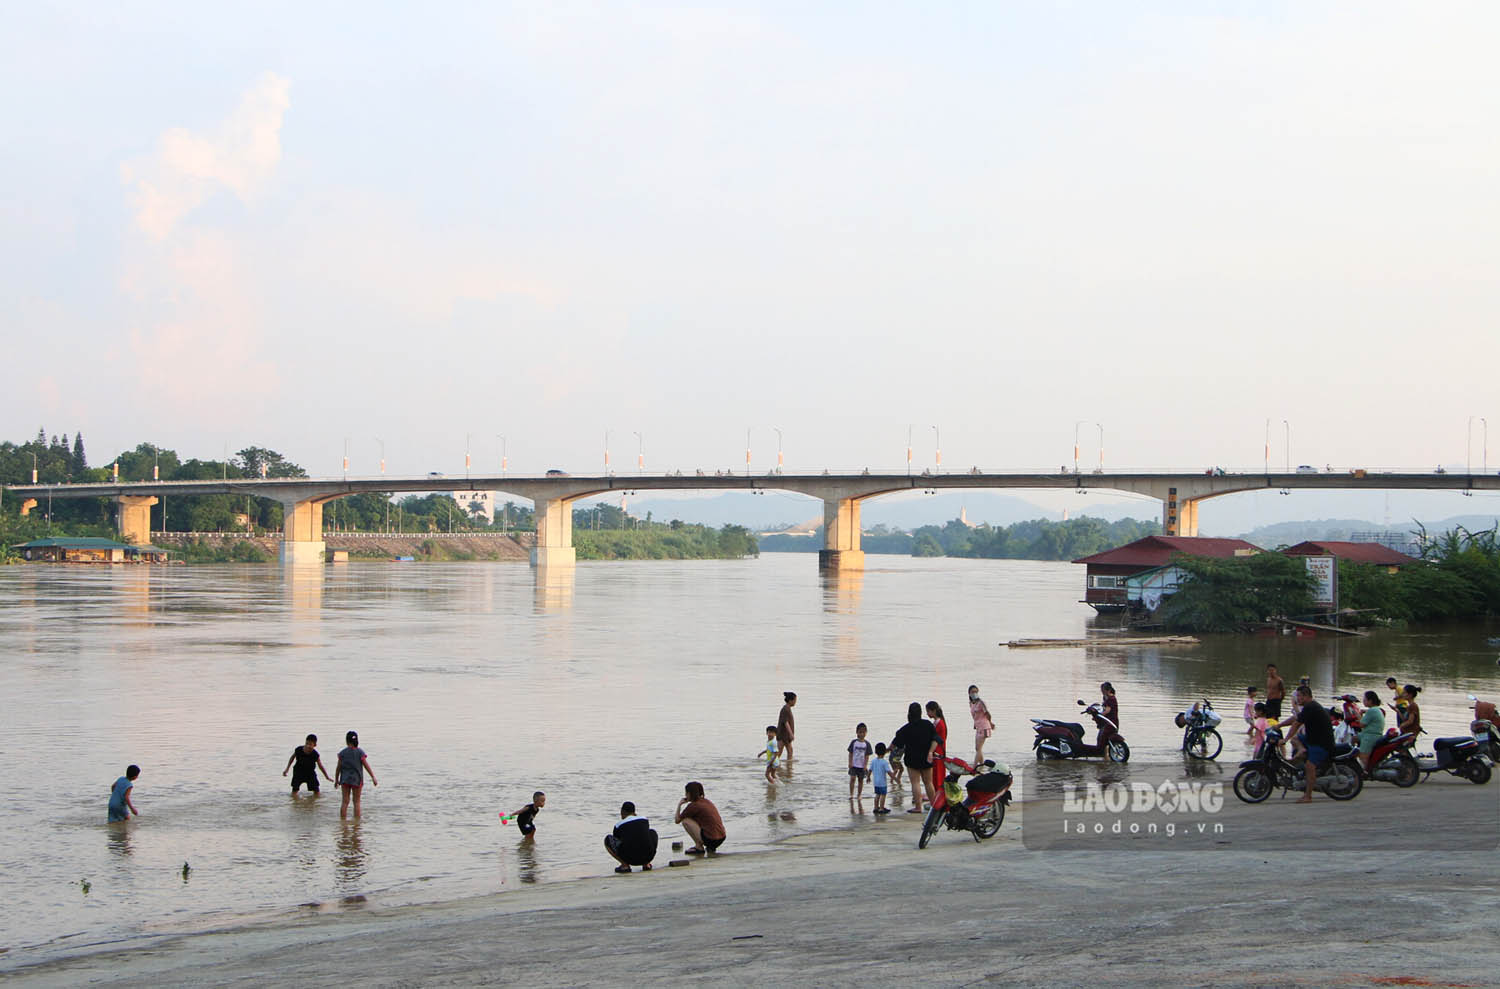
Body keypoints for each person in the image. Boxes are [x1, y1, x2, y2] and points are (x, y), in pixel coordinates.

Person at [1274, 685, 1333, 803]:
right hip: (1312, 739)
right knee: (1295, 739)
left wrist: (1285, 739)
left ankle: (1308, 796)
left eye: (1299, 696)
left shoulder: (1311, 707)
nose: (1297, 699)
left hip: (1321, 743)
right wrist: (1278, 726)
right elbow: (1295, 719)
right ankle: (1302, 750)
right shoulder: (1308, 707)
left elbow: (1296, 724)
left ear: (1306, 696)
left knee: (1309, 767)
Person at [891, 703, 935, 813]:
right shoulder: (928, 725)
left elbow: (898, 744)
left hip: (912, 759)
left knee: (915, 783)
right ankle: (934, 807)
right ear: (920, 713)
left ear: (909, 713)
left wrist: (886, 751)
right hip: (926, 758)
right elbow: (936, 739)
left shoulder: (905, 729)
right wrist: (930, 752)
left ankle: (918, 807)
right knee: (928, 783)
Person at [604, 801, 657, 873]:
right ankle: (646, 864)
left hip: (630, 858)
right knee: (652, 832)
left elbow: (616, 841)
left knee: (608, 839)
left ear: (622, 812)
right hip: (648, 856)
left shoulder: (618, 825)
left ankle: (625, 865)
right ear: (634, 812)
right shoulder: (644, 819)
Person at [675, 781, 726, 855]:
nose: (685, 795)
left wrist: (679, 805)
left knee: (685, 821)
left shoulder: (694, 805)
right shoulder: (707, 801)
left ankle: (699, 847)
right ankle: (710, 847)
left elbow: (677, 820)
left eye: (686, 793)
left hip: (711, 839)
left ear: (689, 794)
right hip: (721, 837)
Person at [336, 730, 378, 819]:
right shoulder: (360, 752)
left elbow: (338, 767)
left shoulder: (342, 753)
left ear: (347, 741)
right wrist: (373, 777)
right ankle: (357, 825)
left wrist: (336, 780)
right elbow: (366, 765)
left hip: (345, 780)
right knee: (357, 802)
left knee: (345, 802)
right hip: (357, 780)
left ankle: (343, 822)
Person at [1357, 691, 1387, 773]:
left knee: (1363, 757)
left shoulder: (1372, 711)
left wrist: (1358, 714)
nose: (1363, 701)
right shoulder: (1376, 709)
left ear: (1370, 701)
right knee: (1354, 738)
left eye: (1365, 699)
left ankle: (1364, 771)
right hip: (1373, 735)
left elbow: (1361, 724)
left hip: (1370, 736)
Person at [925, 701, 948, 791]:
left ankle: (937, 792)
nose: (927, 714)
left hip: (938, 752)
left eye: (928, 711)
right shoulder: (938, 722)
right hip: (938, 751)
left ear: (934, 711)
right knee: (936, 773)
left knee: (937, 774)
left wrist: (930, 751)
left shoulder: (939, 723)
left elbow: (936, 740)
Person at [969, 685, 995, 764]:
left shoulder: (981, 702)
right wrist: (975, 724)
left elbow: (987, 713)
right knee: (977, 748)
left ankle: (974, 767)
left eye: (976, 692)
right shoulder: (971, 703)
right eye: (973, 692)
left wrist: (990, 723)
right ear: (969, 693)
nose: (974, 693)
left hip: (984, 727)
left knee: (979, 748)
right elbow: (975, 715)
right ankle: (981, 765)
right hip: (978, 727)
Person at [847, 723, 873, 799]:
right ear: (857, 732)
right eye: (860, 732)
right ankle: (851, 794)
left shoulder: (867, 744)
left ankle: (859, 794)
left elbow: (867, 756)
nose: (861, 734)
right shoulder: (854, 742)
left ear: (866, 733)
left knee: (860, 780)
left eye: (863, 732)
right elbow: (850, 753)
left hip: (861, 766)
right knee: (852, 778)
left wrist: (865, 765)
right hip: (854, 765)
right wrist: (850, 762)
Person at [870, 743, 894, 815]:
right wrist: (894, 777)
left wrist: (868, 777)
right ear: (885, 752)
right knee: (883, 795)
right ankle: (881, 808)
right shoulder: (884, 762)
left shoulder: (873, 761)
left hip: (876, 782)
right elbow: (888, 772)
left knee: (877, 795)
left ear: (875, 752)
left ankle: (875, 807)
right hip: (882, 782)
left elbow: (870, 770)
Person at [1096, 682, 1120, 750]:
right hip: (1109, 722)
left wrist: (1099, 715)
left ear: (1108, 690)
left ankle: (1101, 752)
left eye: (1103, 690)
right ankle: (1105, 756)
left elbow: (1107, 710)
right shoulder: (1107, 698)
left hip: (1110, 723)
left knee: (1102, 738)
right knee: (1103, 738)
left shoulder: (1110, 699)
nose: (1102, 692)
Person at [777, 692, 797, 765]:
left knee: (789, 750)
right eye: (795, 700)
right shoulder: (785, 709)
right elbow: (785, 722)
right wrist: (791, 734)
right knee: (780, 751)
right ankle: (774, 765)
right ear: (790, 700)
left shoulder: (787, 708)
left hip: (785, 734)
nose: (795, 702)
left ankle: (788, 766)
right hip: (783, 734)